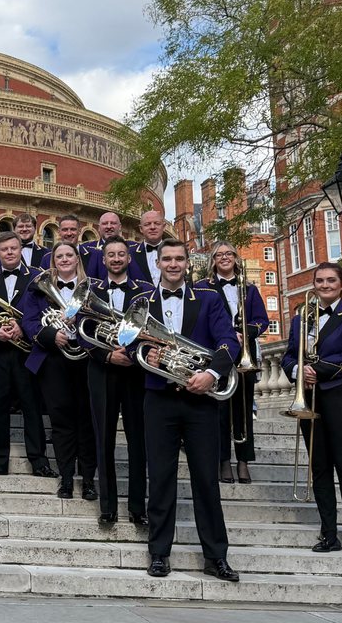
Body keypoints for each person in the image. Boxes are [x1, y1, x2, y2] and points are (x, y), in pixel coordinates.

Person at [135, 238, 240, 581]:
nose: (173, 264)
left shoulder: (209, 298)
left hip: (200, 402)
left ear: (187, 263)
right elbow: (128, 341)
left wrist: (211, 374)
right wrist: (145, 354)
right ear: (158, 264)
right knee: (161, 478)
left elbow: (228, 341)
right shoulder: (142, 302)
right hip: (159, 399)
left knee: (207, 481)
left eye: (179, 258)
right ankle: (158, 553)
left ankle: (215, 557)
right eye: (167, 259)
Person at [282, 263, 342, 557]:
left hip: (341, 395)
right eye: (320, 280)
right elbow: (287, 357)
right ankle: (329, 534)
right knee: (319, 467)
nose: (325, 285)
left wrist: (316, 371)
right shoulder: (300, 319)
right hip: (309, 397)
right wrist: (298, 370)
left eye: (331, 280)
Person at [82, 237, 152, 526]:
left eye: (121, 254)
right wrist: (108, 356)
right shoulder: (89, 290)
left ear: (129, 259)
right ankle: (107, 507)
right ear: (103, 259)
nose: (115, 259)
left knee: (138, 441)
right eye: (110, 254)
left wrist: (132, 355)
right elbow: (80, 332)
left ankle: (137, 507)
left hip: (136, 373)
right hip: (102, 370)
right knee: (104, 440)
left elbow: (155, 333)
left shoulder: (147, 292)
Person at [0, 232, 55, 477]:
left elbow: (47, 311)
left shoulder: (37, 277)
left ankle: (39, 461)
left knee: (31, 406)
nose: (9, 252)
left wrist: (25, 327)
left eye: (13, 248)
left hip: (27, 353)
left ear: (21, 249)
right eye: (4, 249)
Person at [23, 242, 97, 499]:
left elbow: (103, 322)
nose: (64, 259)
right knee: (61, 419)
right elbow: (29, 321)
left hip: (87, 359)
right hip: (53, 361)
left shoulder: (93, 288)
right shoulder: (38, 289)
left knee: (87, 420)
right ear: (53, 260)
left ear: (77, 258)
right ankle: (66, 477)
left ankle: (88, 479)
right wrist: (51, 335)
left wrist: (82, 320)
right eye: (59, 256)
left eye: (69, 255)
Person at [195, 241, 268, 485]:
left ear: (236, 258)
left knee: (244, 409)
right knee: (219, 409)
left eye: (229, 254)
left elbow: (262, 321)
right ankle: (223, 460)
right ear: (212, 259)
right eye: (219, 255)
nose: (224, 258)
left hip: (242, 355)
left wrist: (245, 332)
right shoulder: (202, 288)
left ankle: (244, 461)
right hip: (215, 354)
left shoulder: (250, 288)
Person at [80, 213, 148, 282]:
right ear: (99, 227)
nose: (109, 227)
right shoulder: (85, 249)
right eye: (105, 223)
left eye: (113, 223)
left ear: (120, 227)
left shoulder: (135, 248)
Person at [130, 211, 168, 287]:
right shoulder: (129, 253)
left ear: (164, 227)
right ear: (141, 229)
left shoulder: (176, 253)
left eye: (157, 223)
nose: (152, 227)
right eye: (147, 224)